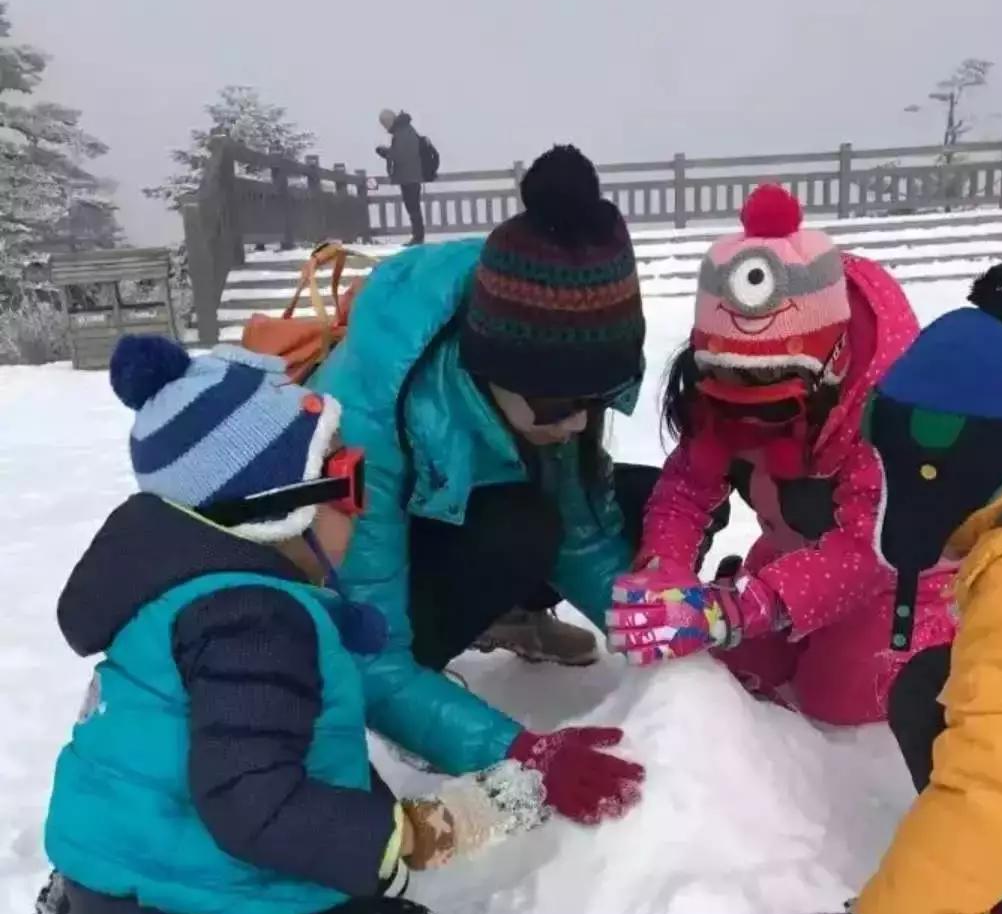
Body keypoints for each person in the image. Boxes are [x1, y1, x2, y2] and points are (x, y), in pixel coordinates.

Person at [29, 336, 548, 914]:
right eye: (347, 483)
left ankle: (104, 899)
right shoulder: (255, 622)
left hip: (106, 867)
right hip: (178, 900)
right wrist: (403, 835)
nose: (367, 504)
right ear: (277, 512)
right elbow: (252, 803)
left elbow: (164, 745)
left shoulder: (180, 593)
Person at [311, 144, 654, 819]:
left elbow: (584, 539)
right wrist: (514, 750)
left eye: (600, 399)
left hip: (462, 503)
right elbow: (369, 651)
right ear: (488, 370)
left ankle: (507, 613)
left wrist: (667, 630)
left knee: (641, 501)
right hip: (354, 574)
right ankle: (435, 684)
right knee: (513, 534)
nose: (579, 422)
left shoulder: (547, 343)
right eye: (559, 406)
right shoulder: (369, 414)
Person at [757, 259, 1002, 914]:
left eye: (896, 461)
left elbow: (1000, 791)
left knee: (983, 738)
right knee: (934, 682)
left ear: (942, 458)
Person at [606, 185, 954, 727]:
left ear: (831, 371)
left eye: (768, 408)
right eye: (727, 398)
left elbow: (867, 547)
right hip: (796, 549)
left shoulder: (894, 409)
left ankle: (942, 635)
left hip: (900, 576)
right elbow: (686, 487)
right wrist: (663, 569)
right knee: (736, 663)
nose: (747, 425)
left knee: (835, 695)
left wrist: (751, 604)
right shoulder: (720, 379)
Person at [377, 108, 426, 246]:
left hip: (410, 176)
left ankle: (418, 237)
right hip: (409, 175)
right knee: (412, 206)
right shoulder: (404, 130)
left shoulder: (403, 132)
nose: (385, 127)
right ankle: (417, 236)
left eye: (385, 124)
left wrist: (386, 153)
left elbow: (401, 155)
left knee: (413, 207)